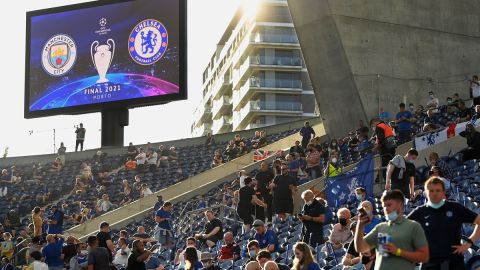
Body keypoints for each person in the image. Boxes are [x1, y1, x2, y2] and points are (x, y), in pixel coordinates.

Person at [408, 177, 480, 270]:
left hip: (454, 264)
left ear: (443, 192)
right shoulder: (420, 212)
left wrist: (469, 243)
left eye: (438, 190)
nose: (434, 193)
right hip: (429, 264)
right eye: (431, 191)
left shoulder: (455, 208)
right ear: (426, 193)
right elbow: (401, 228)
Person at [355, 190, 429, 270]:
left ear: (400, 205)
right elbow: (360, 248)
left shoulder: (414, 226)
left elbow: (424, 256)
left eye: (389, 205)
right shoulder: (380, 228)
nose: (386, 209)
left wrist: (398, 252)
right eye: (384, 206)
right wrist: (360, 225)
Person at [343, 201, 379, 269]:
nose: (355, 233)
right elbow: (344, 261)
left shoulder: (370, 238)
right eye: (353, 231)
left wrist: (354, 260)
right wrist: (354, 261)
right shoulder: (353, 242)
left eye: (356, 230)